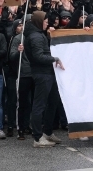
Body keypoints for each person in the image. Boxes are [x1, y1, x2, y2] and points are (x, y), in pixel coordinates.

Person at [24, 11, 65, 147]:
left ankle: (47, 132)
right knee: (39, 105)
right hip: (42, 74)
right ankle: (37, 138)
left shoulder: (39, 34)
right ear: (39, 21)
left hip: (48, 73)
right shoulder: (35, 36)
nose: (47, 23)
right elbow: (38, 56)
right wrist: (55, 59)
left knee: (53, 102)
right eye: (45, 21)